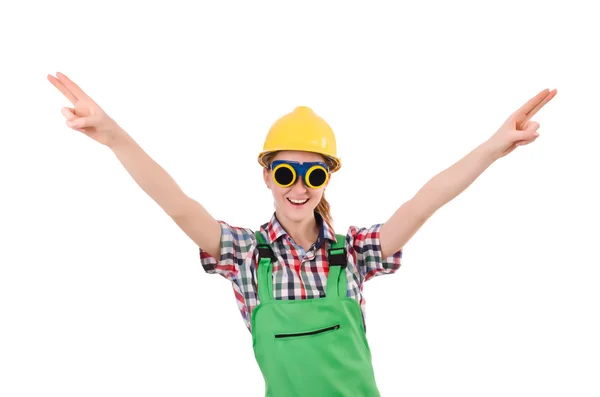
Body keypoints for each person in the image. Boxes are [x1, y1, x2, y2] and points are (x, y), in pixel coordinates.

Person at [47, 72, 557, 396]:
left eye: (314, 175)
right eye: (286, 172)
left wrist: (494, 147)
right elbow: (178, 206)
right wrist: (113, 136)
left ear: (327, 179)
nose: (299, 187)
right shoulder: (247, 255)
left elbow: (424, 202)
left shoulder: (354, 253)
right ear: (267, 174)